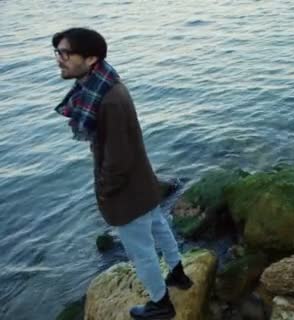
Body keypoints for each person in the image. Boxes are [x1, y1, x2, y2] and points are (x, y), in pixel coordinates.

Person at [52, 28, 192, 320]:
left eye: (66, 53)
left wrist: (105, 190)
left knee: (141, 252)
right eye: (57, 52)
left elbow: (117, 158)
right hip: (143, 183)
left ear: (91, 59)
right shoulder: (105, 84)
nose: (59, 59)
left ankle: (160, 304)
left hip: (128, 192)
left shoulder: (108, 98)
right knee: (159, 226)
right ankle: (178, 274)